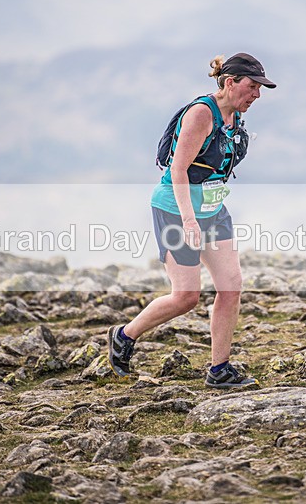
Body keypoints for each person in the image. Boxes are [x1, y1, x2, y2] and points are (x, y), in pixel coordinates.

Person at [107, 52, 276, 388]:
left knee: (231, 286)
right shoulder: (201, 114)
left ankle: (219, 370)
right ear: (231, 82)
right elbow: (178, 169)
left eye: (260, 88)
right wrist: (188, 220)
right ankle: (124, 336)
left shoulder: (233, 115)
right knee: (186, 296)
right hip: (176, 210)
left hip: (213, 210)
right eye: (253, 86)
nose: (257, 94)